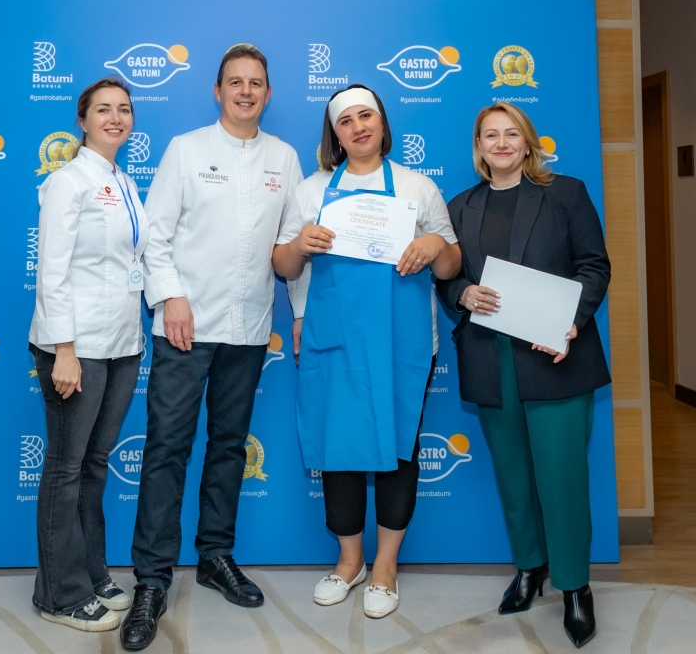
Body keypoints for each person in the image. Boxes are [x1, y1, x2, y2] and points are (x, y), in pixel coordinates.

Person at [121, 44, 303, 651]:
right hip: (185, 327)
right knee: (167, 449)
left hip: (248, 330)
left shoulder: (284, 158)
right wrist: (170, 298)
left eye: (256, 82)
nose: (246, 91)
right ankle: (151, 580)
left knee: (228, 446)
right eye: (235, 82)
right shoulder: (186, 149)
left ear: (268, 93)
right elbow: (154, 236)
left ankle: (215, 556)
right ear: (217, 91)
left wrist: (300, 308)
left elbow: (288, 248)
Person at [273, 85, 461, 619]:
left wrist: (437, 247)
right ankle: (349, 560)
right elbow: (284, 265)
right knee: (340, 450)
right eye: (346, 120)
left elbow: (451, 264)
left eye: (366, 116)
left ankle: (386, 567)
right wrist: (298, 246)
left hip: (403, 344)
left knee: (399, 450)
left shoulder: (418, 187)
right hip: (335, 342)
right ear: (335, 134)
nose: (358, 127)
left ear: (382, 123)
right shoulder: (312, 191)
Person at [436, 103, 611, 649]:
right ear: (478, 146)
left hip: (554, 357)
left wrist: (570, 323)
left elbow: (594, 265)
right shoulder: (459, 207)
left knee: (562, 480)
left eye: (512, 133)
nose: (502, 142)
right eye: (490, 135)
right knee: (513, 476)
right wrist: (463, 293)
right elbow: (447, 278)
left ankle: (575, 586)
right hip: (491, 361)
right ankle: (530, 568)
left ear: (528, 141)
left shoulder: (566, 194)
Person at [29, 77, 149, 632]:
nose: (115, 118)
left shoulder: (124, 181)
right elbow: (51, 271)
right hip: (76, 347)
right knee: (66, 468)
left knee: (94, 466)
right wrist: (64, 351)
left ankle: (93, 573)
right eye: (103, 109)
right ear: (82, 120)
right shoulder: (67, 181)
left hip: (122, 344)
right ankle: (59, 595)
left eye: (124, 109)